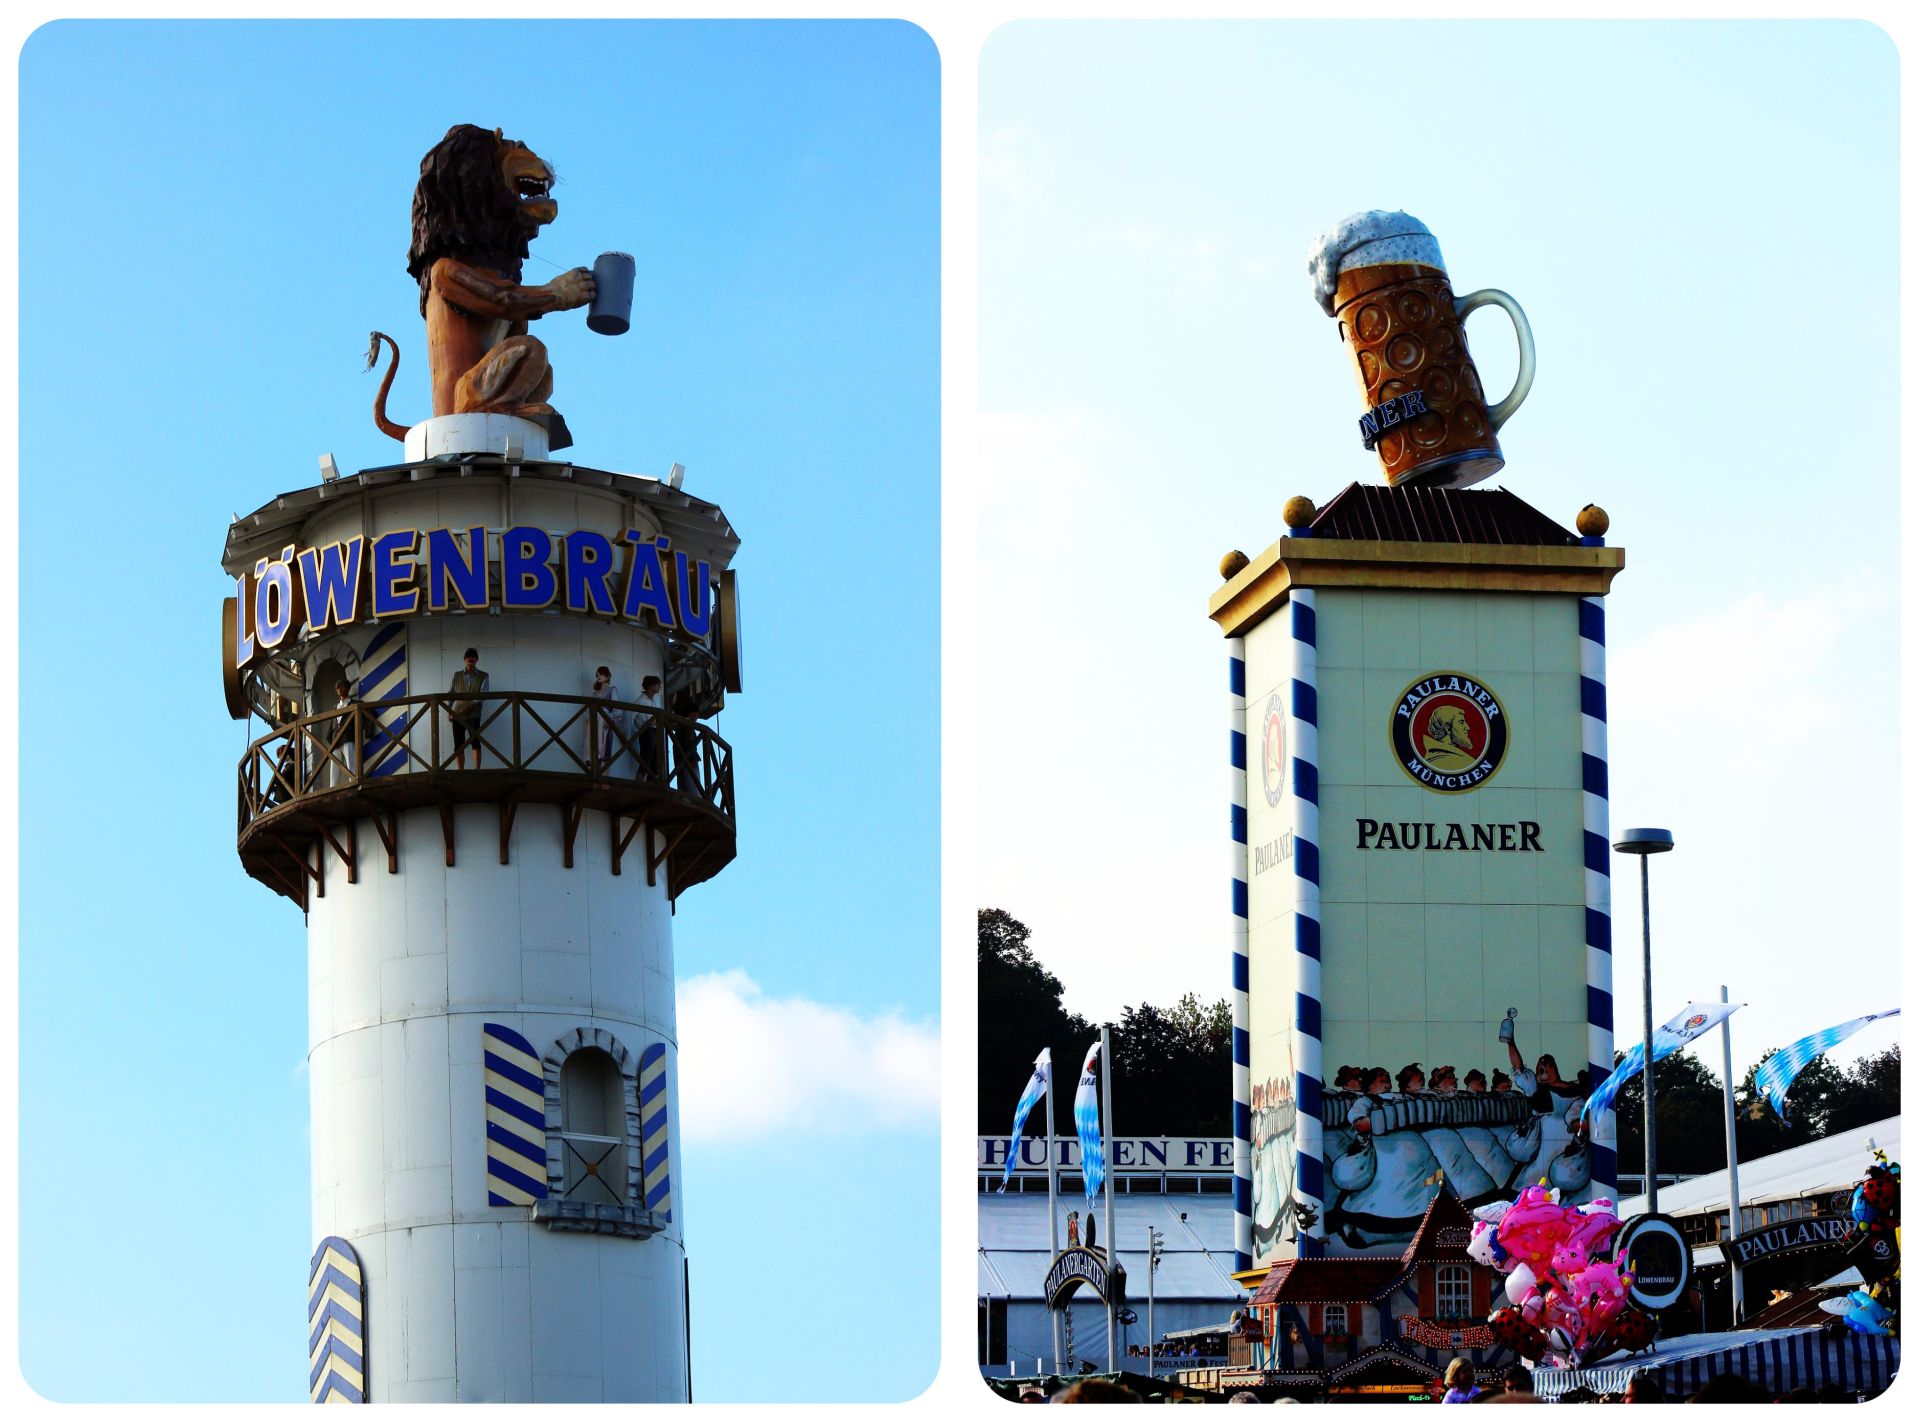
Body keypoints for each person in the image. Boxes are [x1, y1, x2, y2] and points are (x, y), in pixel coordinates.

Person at [448, 647, 489, 769]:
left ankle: (477, 771)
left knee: (475, 742)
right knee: (458, 745)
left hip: (474, 714)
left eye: (473, 657)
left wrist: (469, 705)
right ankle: (461, 772)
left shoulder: (484, 676)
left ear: (476, 660)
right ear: (465, 659)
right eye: (468, 657)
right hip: (457, 714)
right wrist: (449, 710)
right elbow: (451, 693)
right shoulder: (456, 675)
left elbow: (484, 694)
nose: (471, 659)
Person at [589, 664, 619, 770]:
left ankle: (604, 778)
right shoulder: (595, 693)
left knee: (605, 749)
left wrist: (608, 718)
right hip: (594, 721)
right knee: (593, 747)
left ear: (607, 676)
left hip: (605, 720)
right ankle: (594, 774)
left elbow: (617, 709)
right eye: (597, 674)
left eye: (601, 674)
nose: (599, 676)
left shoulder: (612, 690)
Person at [635, 674, 663, 782]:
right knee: (646, 756)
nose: (658, 686)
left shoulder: (653, 701)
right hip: (646, 731)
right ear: (650, 685)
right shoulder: (640, 701)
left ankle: (651, 782)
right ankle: (639, 780)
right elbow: (632, 718)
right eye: (656, 684)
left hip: (654, 730)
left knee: (655, 758)